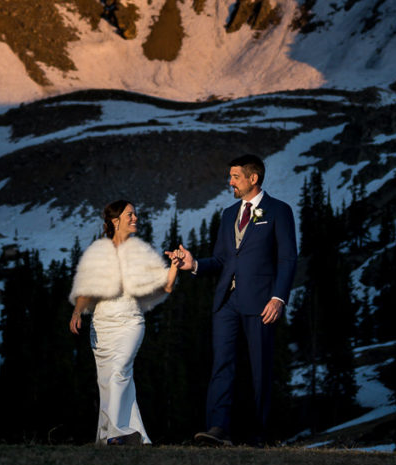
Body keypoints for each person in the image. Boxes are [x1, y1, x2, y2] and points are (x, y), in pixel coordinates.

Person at [168, 153, 297, 446]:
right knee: (222, 365)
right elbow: (222, 260)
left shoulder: (279, 210)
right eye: (230, 177)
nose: (230, 182)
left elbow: (288, 258)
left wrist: (278, 298)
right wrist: (195, 265)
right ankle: (218, 429)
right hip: (227, 303)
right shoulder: (228, 215)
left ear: (254, 178)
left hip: (262, 303)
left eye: (235, 177)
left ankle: (258, 434)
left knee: (259, 368)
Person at [70, 200, 177, 446]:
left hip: (130, 322)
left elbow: (166, 286)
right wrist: (77, 312)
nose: (135, 218)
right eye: (130, 214)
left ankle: (116, 433)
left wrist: (174, 266)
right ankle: (131, 435)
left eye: (135, 214)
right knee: (109, 380)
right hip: (102, 324)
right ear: (115, 221)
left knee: (118, 372)